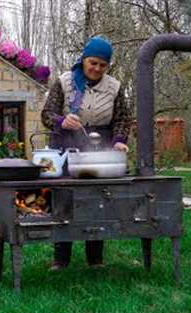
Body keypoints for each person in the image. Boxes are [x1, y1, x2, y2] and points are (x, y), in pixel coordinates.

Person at [41, 36, 132, 270]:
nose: (97, 69)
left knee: (97, 199)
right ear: (84, 60)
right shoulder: (65, 82)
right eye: (93, 63)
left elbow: (122, 118)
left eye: (103, 65)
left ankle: (95, 258)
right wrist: (62, 120)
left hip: (98, 147)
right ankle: (61, 259)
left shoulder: (114, 87)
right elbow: (47, 114)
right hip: (65, 146)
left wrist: (119, 141)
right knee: (64, 199)